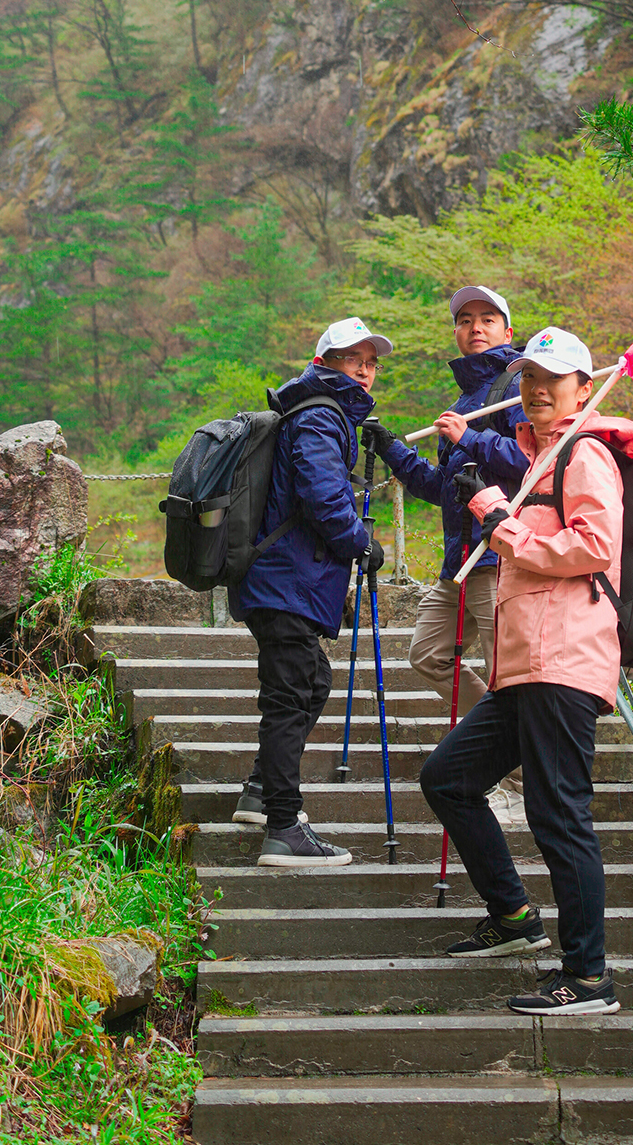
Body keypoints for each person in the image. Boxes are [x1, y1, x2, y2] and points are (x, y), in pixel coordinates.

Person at [420, 326, 633, 1017]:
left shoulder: (585, 453)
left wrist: (501, 522)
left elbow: (594, 545)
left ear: (585, 386)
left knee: (559, 814)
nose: (537, 389)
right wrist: (497, 505)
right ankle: (515, 915)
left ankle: (587, 976)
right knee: (448, 778)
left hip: (564, 662)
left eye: (554, 377)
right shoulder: (544, 458)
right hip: (524, 669)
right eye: (527, 377)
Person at [362, 285, 529, 823]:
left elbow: (535, 464)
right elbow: (441, 487)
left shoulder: (524, 386)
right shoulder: (462, 403)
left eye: (487, 319)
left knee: (508, 674)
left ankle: (518, 780)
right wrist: (392, 448)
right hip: (457, 561)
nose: (475, 328)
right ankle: (506, 758)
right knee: (429, 654)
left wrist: (472, 440)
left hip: (499, 555)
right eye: (465, 320)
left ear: (508, 330)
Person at [231, 316, 391, 868]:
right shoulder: (321, 416)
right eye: (354, 360)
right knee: (292, 696)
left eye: (370, 363)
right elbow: (323, 495)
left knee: (311, 682)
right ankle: (283, 828)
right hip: (286, 581)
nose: (365, 371)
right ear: (326, 363)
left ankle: (260, 791)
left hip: (283, 581)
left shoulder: (314, 412)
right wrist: (360, 542)